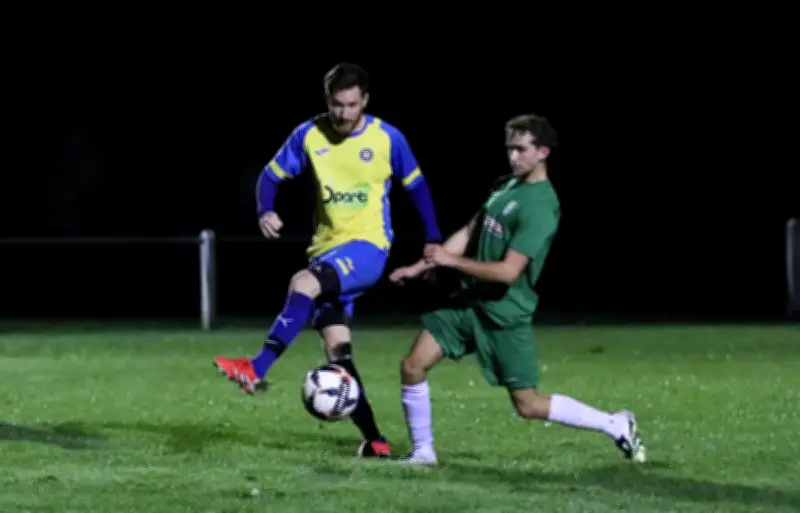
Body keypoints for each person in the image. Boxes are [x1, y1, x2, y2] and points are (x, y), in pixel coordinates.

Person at [213, 63, 442, 458]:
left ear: (365, 101)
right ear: (327, 100)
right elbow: (269, 176)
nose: (343, 113)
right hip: (326, 250)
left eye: (352, 105)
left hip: (368, 248)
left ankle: (256, 368)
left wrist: (433, 238)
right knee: (338, 355)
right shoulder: (308, 135)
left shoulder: (388, 138)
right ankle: (376, 441)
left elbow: (417, 187)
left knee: (303, 283)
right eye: (337, 104)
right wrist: (266, 209)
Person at [388, 113, 646, 464]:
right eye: (509, 148)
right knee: (413, 365)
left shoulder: (541, 207)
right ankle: (423, 453)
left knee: (528, 405)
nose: (513, 157)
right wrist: (422, 266)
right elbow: (470, 230)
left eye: (521, 150)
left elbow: (509, 272)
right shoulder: (506, 185)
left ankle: (614, 424)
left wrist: (452, 263)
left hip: (504, 314)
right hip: (469, 303)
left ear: (543, 153)